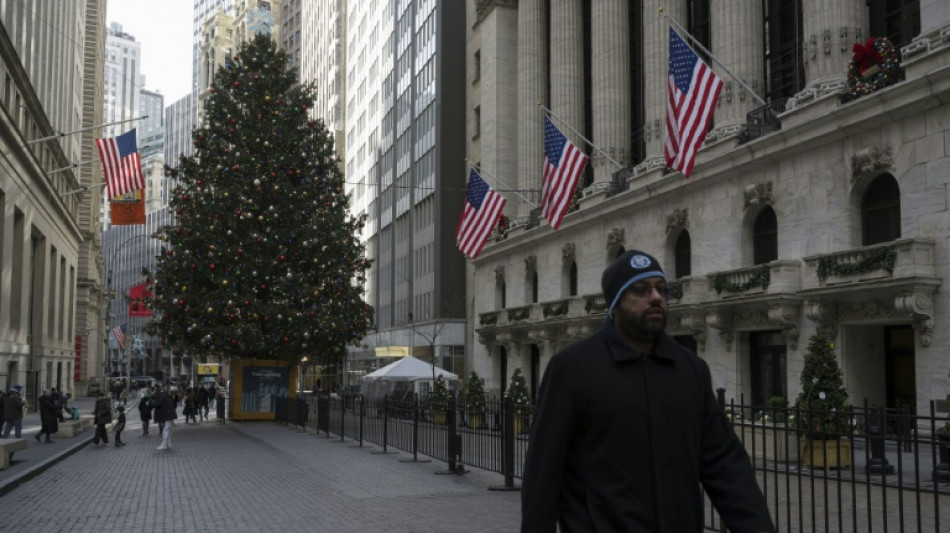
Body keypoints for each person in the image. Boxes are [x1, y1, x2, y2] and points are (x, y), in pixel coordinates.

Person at [521, 250, 775, 533]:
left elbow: (725, 465)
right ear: (615, 303)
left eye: (661, 289)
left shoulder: (691, 370)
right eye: (640, 290)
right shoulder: (572, 369)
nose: (655, 297)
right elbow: (542, 474)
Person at [151, 385, 177, 450]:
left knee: (165, 430)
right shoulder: (167, 396)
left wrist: (151, 399)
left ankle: (164, 444)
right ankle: (169, 444)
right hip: (170, 415)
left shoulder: (161, 397)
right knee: (168, 430)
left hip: (167, 415)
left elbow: (156, 404)